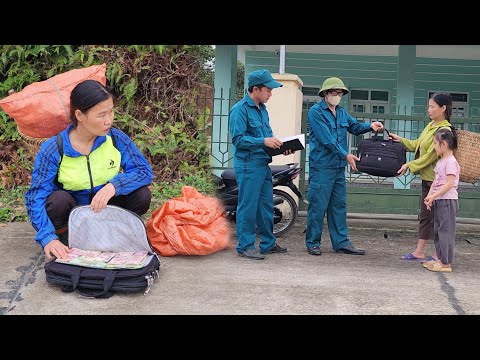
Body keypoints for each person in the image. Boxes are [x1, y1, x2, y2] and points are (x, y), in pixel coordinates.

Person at [25, 79, 153, 261]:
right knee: (57, 201)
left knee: (142, 194)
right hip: (74, 214)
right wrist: (47, 238)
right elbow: (34, 197)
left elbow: (143, 171)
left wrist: (113, 186)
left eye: (111, 112)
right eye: (101, 115)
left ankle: (115, 231)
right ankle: (64, 238)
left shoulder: (116, 139)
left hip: (108, 207)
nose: (109, 120)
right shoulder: (55, 148)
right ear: (80, 115)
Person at [306, 77, 384, 256]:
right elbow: (326, 139)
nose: (338, 96)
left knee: (338, 206)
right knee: (318, 206)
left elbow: (355, 126)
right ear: (325, 93)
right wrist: (346, 155)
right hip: (322, 166)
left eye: (340, 93)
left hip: (338, 167)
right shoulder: (316, 112)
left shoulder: (341, 112)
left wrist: (370, 126)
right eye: (334, 93)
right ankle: (312, 242)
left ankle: (341, 242)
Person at [228, 69, 291, 260]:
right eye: (268, 90)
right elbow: (238, 140)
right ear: (256, 89)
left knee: (265, 205)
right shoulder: (240, 110)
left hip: (263, 163)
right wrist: (263, 142)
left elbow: (268, 137)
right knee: (248, 206)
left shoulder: (263, 110)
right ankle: (245, 246)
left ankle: (267, 243)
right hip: (248, 165)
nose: (271, 93)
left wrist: (282, 147)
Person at [389, 92, 453, 262]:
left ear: (443, 108)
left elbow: (430, 157)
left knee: (438, 218)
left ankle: (439, 254)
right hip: (427, 178)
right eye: (429, 106)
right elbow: (418, 145)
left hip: (438, 181)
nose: (429, 110)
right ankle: (420, 251)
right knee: (425, 216)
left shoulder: (444, 130)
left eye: (432, 106)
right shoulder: (431, 125)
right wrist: (400, 140)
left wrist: (409, 165)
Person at [422, 128, 460, 272]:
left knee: (446, 232)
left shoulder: (451, 162)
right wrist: (430, 196)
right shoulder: (441, 162)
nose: (434, 147)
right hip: (439, 200)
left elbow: (449, 183)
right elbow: (436, 181)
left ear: (443, 144)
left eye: (435, 144)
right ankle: (440, 259)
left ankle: (446, 263)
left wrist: (434, 195)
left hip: (447, 201)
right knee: (438, 231)